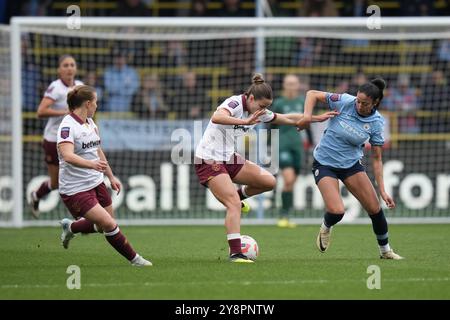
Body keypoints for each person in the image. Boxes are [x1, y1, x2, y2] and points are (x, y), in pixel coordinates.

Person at [194, 74, 337, 263]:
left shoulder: (259, 111)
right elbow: (217, 116)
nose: (264, 110)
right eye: (262, 106)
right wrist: (244, 122)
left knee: (269, 181)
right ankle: (236, 253)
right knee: (233, 206)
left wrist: (314, 118)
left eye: (266, 107)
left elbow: (285, 118)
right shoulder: (235, 103)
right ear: (251, 99)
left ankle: (237, 197)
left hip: (228, 157)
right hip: (209, 159)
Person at [296, 78, 404, 260]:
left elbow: (377, 159)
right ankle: (326, 226)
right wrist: (307, 116)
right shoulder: (345, 101)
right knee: (337, 211)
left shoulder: (377, 122)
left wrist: (383, 190)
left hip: (351, 166)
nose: (359, 105)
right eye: (358, 101)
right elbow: (311, 94)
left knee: (375, 209)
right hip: (324, 163)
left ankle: (385, 251)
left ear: (375, 103)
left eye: (365, 103)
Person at [56, 85, 152, 267]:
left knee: (102, 226)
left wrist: (111, 176)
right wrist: (92, 165)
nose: (97, 106)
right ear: (87, 103)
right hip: (75, 189)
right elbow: (67, 156)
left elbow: (97, 151)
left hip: (96, 182)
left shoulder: (90, 123)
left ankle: (71, 227)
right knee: (109, 224)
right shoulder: (67, 126)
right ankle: (135, 260)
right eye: (96, 102)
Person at [28, 55, 83, 218]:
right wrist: (65, 113)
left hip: (73, 140)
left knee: (78, 176)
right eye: (65, 65)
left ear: (76, 68)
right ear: (59, 70)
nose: (69, 68)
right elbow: (40, 111)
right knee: (56, 183)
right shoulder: (56, 87)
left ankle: (81, 213)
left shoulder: (80, 87)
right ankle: (36, 195)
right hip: (54, 140)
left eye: (72, 65)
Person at [271, 75, 309, 228]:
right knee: (288, 179)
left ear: (298, 85)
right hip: (282, 145)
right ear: (284, 85)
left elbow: (309, 124)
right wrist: (271, 144)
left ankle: (286, 214)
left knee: (291, 183)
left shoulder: (302, 102)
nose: (291, 86)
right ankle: (283, 214)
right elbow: (271, 124)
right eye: (289, 83)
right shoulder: (279, 103)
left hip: (297, 146)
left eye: (294, 83)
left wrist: (311, 144)